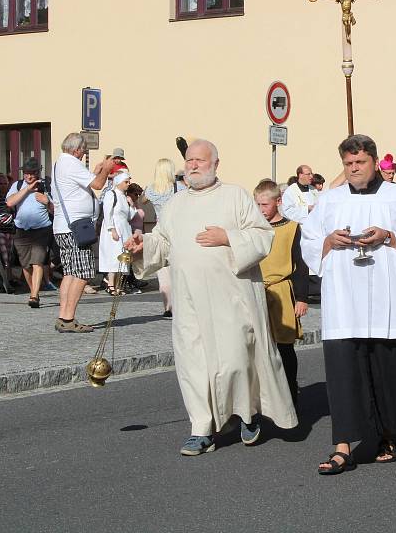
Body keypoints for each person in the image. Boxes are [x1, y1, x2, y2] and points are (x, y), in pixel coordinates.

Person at [125, 139, 297, 456]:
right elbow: (162, 243)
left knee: (235, 360)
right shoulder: (176, 205)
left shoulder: (235, 196)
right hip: (188, 300)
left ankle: (246, 414)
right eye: (189, 160)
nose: (193, 165)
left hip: (231, 297)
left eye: (200, 160)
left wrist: (228, 237)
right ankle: (200, 429)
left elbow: (262, 236)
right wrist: (142, 246)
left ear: (216, 164)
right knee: (194, 365)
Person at [301, 134, 396, 475]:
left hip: (386, 295)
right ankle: (343, 446)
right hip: (344, 301)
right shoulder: (330, 201)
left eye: (359, 163)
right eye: (348, 164)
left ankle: (388, 436)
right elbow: (308, 240)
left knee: (386, 370)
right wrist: (328, 241)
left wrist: (389, 237)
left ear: (374, 162)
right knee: (344, 374)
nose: (353, 169)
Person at [52, 132, 114, 333]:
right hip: (75, 228)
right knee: (83, 272)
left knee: (70, 272)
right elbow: (97, 184)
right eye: (83, 149)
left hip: (64, 226)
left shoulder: (61, 163)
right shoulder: (71, 163)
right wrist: (105, 170)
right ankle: (68, 318)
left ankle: (63, 316)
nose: (84, 152)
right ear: (77, 149)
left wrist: (97, 171)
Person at [254, 179, 309, 408]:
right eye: (256, 205)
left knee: (284, 346)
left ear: (278, 202)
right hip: (257, 291)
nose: (260, 210)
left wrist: (302, 298)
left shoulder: (292, 228)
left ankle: (289, 392)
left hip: (282, 291)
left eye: (264, 205)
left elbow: (300, 264)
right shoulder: (253, 229)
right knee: (258, 347)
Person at [6, 158, 54, 308]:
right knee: (25, 265)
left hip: (41, 230)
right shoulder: (18, 185)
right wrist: (27, 190)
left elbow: (54, 210)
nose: (28, 176)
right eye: (26, 173)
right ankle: (34, 291)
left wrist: (47, 201)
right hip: (21, 230)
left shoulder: (46, 186)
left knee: (37, 262)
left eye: (31, 173)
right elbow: (9, 203)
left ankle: (34, 296)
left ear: (37, 172)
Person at [143, 158, 185, 316]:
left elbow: (143, 200)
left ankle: (168, 307)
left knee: (163, 271)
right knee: (177, 269)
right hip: (176, 231)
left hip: (159, 230)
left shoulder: (151, 189)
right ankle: (180, 305)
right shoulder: (179, 188)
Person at [99, 170, 136, 295]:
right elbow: (107, 212)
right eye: (126, 182)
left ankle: (119, 285)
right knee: (113, 256)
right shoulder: (111, 194)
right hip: (114, 229)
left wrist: (131, 205)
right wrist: (111, 228)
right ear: (119, 182)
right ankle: (110, 284)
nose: (128, 184)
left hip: (124, 228)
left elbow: (129, 216)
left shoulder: (124, 197)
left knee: (123, 257)